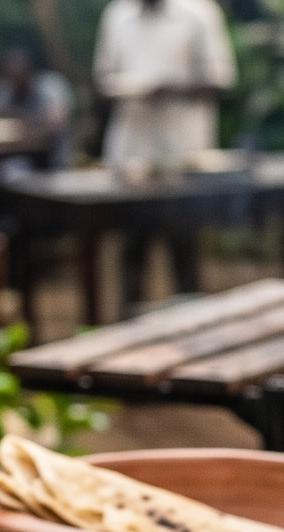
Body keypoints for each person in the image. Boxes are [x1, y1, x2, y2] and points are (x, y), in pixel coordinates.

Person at [94, 0, 234, 305]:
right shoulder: (117, 15)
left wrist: (170, 89)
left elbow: (221, 81)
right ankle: (128, 332)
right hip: (132, 157)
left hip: (182, 157)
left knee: (183, 249)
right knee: (132, 251)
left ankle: (192, 328)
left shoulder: (199, 13)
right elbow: (102, 81)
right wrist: (122, 89)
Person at [0, 42, 71, 171]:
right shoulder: (3, 90)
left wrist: (11, 118)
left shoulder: (52, 86)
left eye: (19, 76)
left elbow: (54, 124)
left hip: (52, 164)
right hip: (11, 157)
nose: (14, 82)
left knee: (10, 172)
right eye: (10, 77)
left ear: (30, 72)